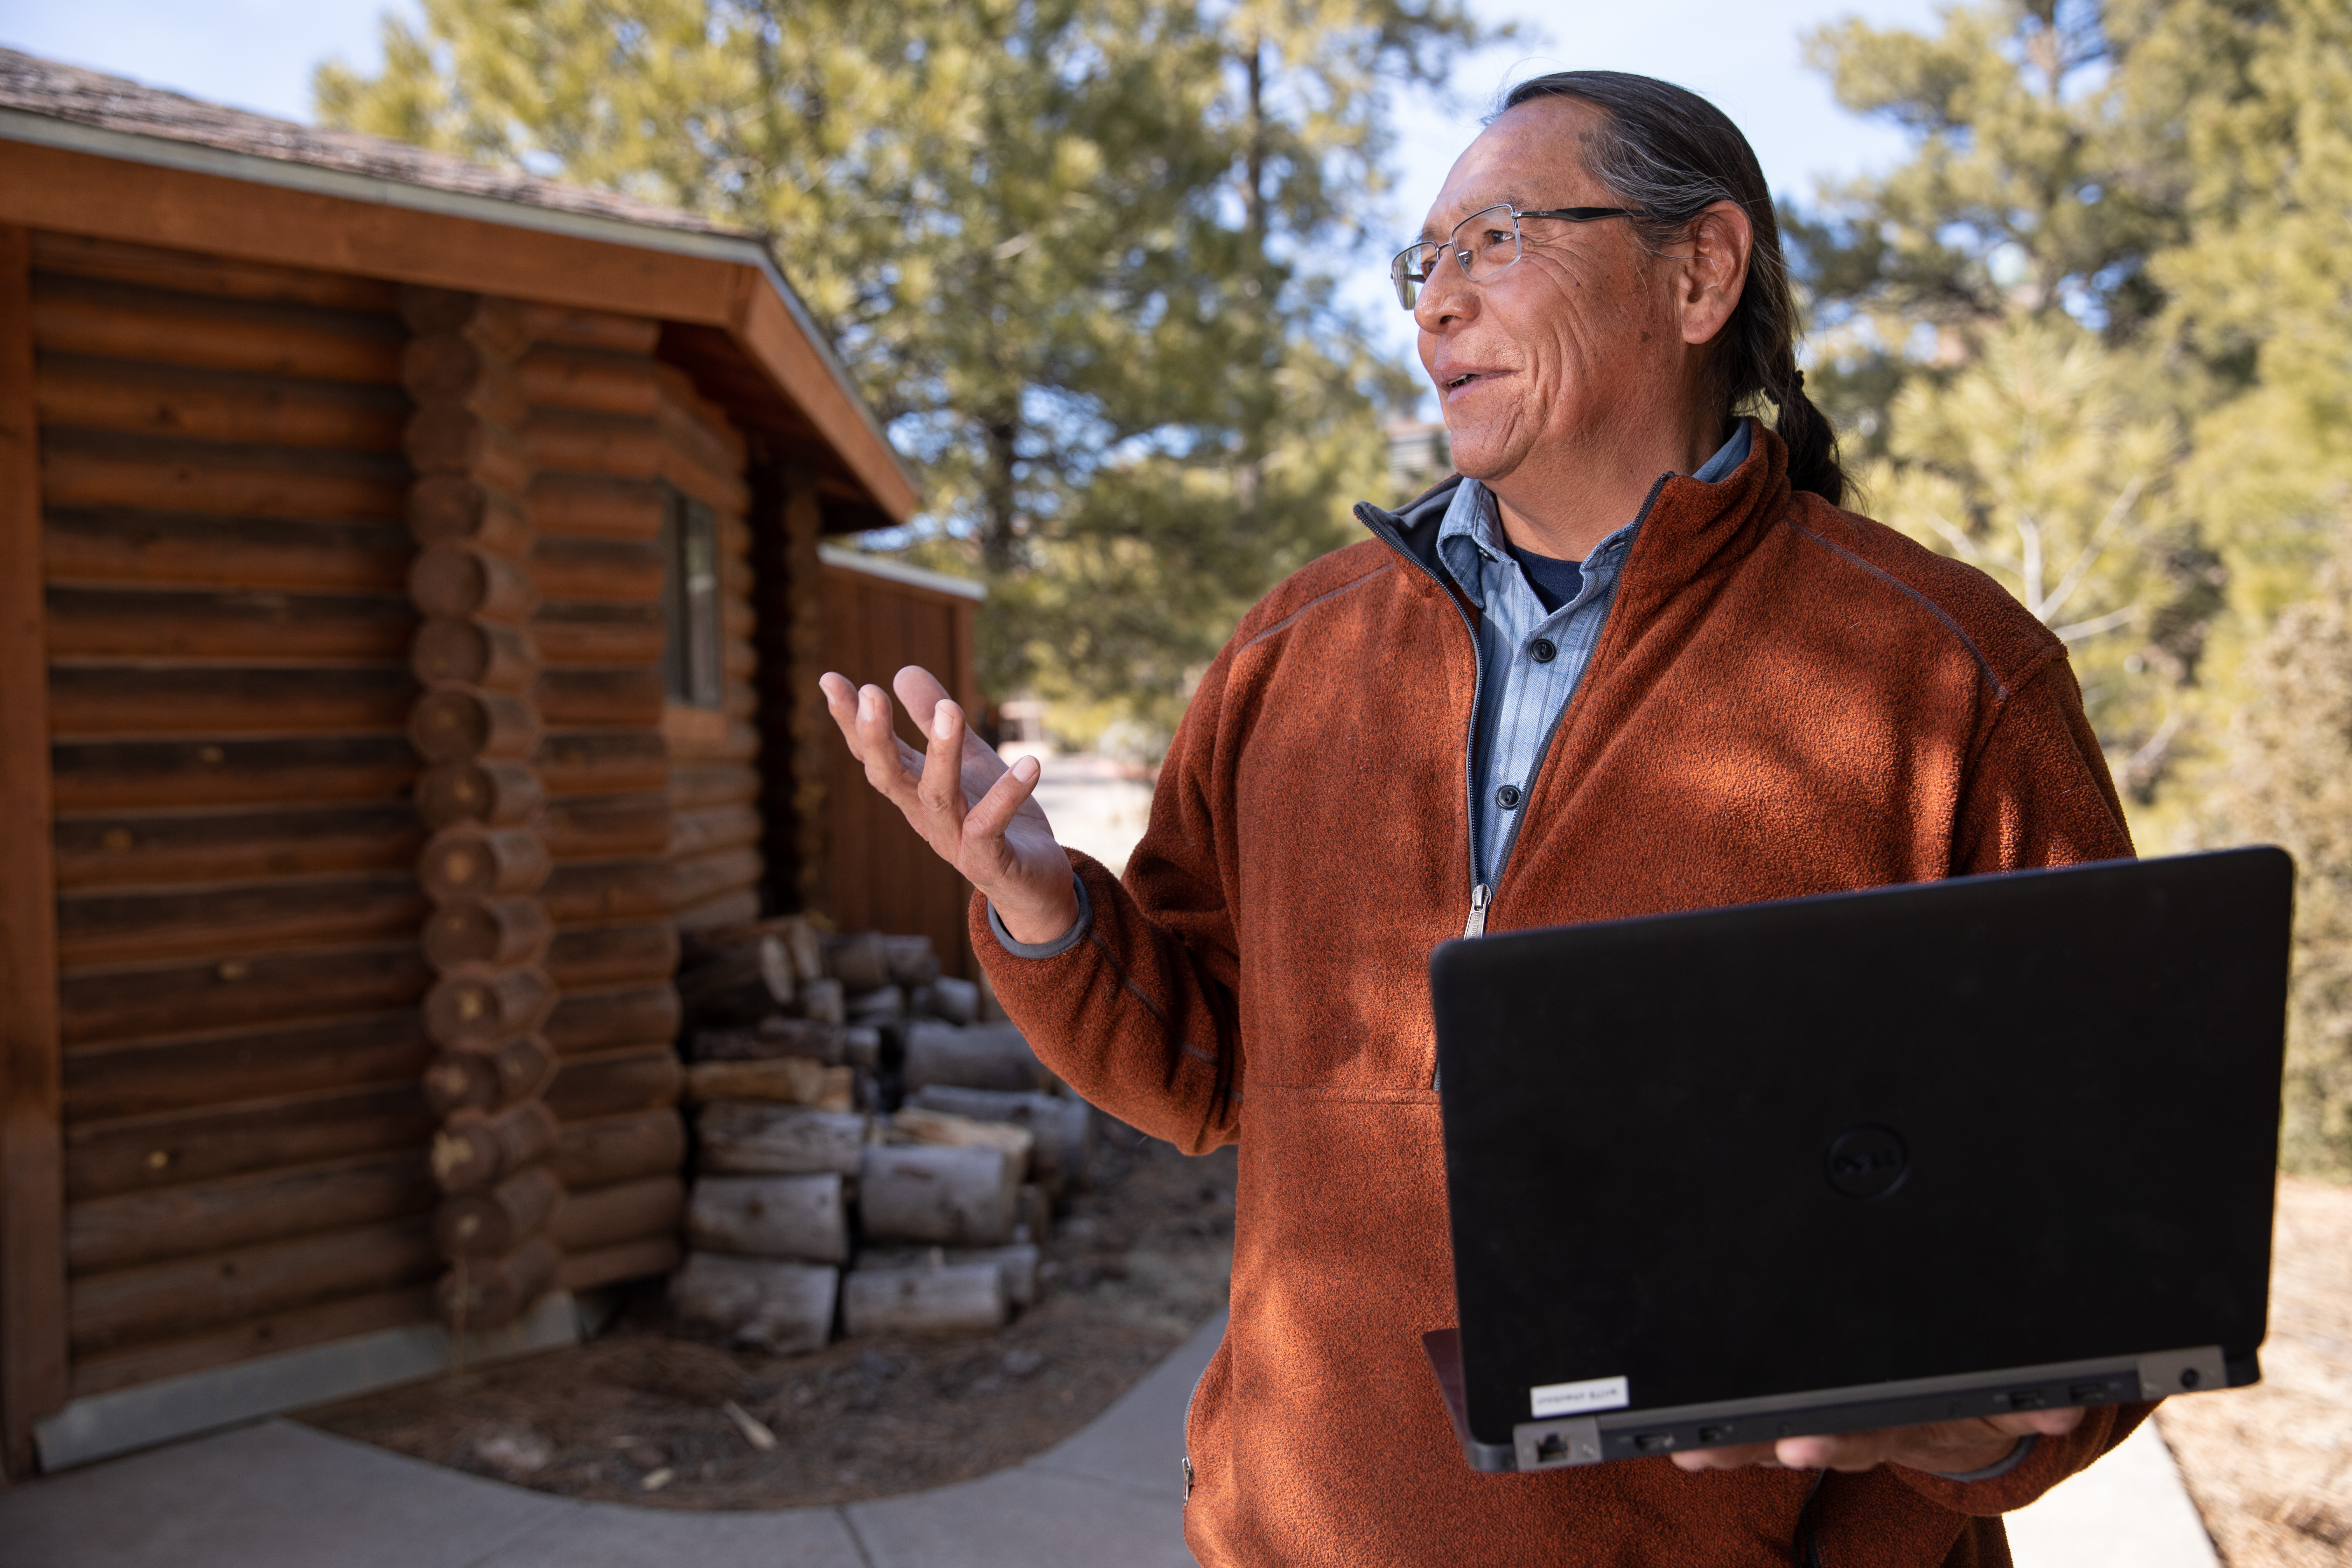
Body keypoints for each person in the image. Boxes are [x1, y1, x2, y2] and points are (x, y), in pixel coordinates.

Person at [822, 70, 2141, 1567]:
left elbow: (2093, 1227)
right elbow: (1196, 1068)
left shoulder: (1949, 675)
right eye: (1422, 260)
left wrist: (1981, 1424)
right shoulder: (1287, 655)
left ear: (1699, 273)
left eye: (1497, 241)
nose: (1433, 305)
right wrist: (1045, 907)